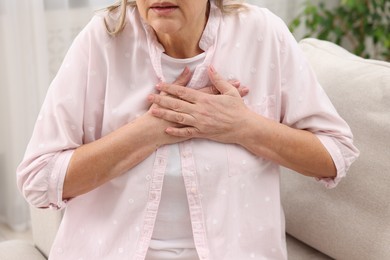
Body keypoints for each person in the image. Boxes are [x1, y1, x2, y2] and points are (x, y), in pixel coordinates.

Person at [17, 0, 359, 259]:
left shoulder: (262, 34)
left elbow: (334, 154)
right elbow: (38, 179)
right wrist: (154, 128)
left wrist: (242, 126)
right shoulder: (102, 39)